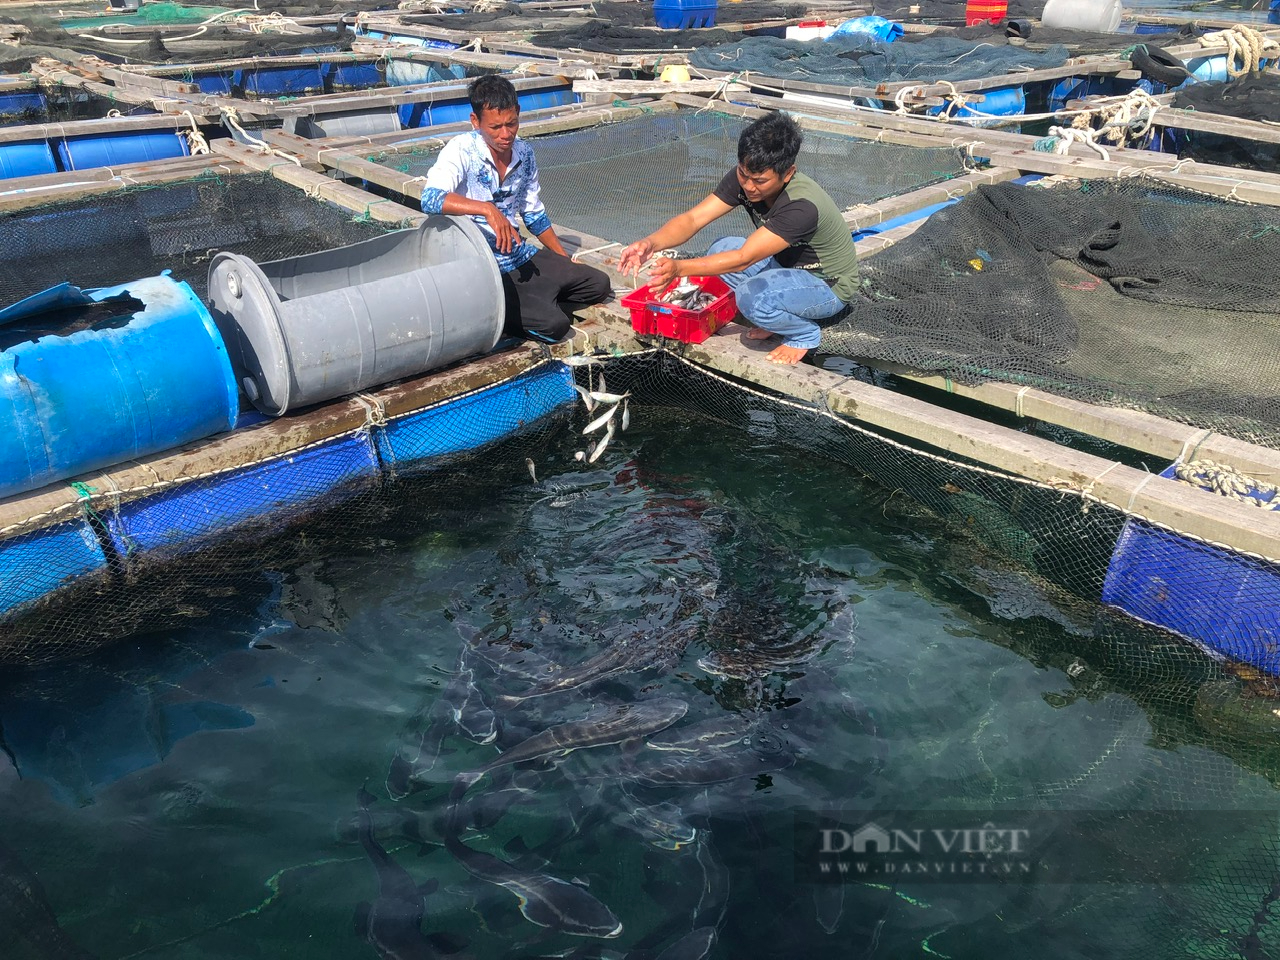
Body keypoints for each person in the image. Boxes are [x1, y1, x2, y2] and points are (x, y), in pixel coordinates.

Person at [618, 111, 859, 365]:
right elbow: (693, 219)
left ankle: (803, 334)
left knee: (749, 296)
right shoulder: (744, 177)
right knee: (720, 248)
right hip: (785, 267)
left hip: (827, 286)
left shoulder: (801, 206)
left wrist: (678, 268)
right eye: (744, 175)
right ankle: (777, 316)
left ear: (788, 173)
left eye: (760, 181)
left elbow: (744, 259)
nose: (749, 186)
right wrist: (651, 243)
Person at [420, 75, 611, 343]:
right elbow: (430, 199)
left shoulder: (525, 153)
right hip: (483, 267)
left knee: (598, 284)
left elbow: (534, 216)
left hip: (520, 253)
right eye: (495, 127)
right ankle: (502, 310)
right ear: (475, 121)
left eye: (511, 124)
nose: (505, 134)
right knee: (555, 326)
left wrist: (562, 258)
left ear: (518, 113)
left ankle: (535, 300)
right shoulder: (460, 150)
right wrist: (487, 209)